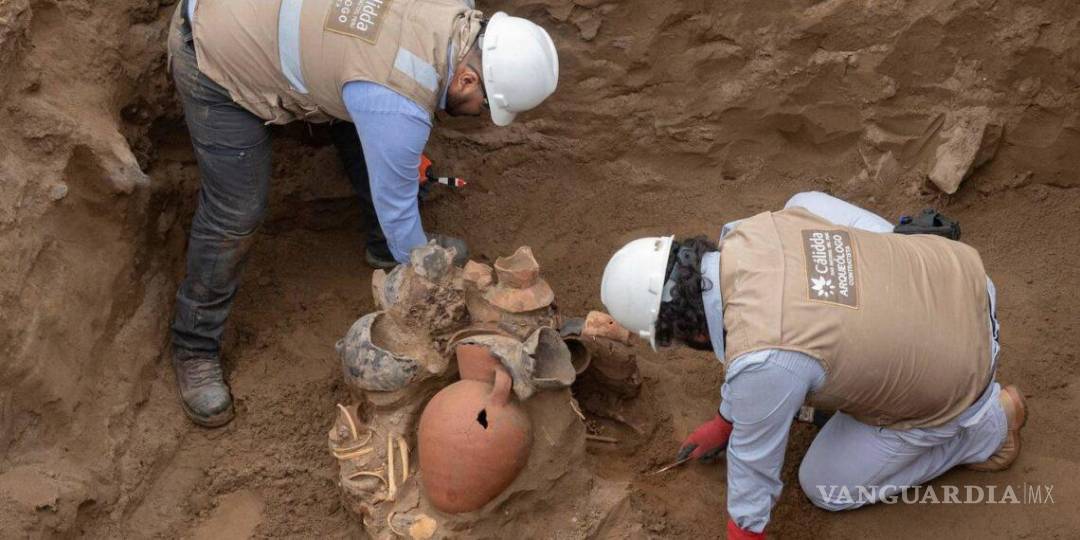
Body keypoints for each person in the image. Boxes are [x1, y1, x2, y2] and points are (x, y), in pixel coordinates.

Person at [166, 0, 559, 427]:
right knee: (235, 211)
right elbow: (401, 218)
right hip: (214, 48)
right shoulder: (395, 104)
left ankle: (379, 248)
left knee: (365, 107)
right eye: (484, 105)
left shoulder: (455, 11)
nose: (479, 113)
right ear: (467, 78)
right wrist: (433, 285)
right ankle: (194, 345)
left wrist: (398, 156)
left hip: (300, 34)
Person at [599, 192, 1026, 539]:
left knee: (824, 485)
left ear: (686, 333)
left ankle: (989, 429)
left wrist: (743, 532)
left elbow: (754, 466)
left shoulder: (762, 360)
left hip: (962, 371)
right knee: (806, 205)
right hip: (961, 277)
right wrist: (726, 421)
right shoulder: (751, 230)